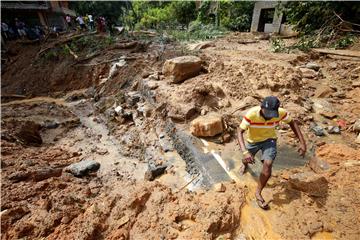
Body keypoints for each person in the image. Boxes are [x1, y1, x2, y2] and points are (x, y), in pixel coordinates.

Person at [237, 96, 306, 209]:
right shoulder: (252, 114)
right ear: (261, 108)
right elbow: (239, 131)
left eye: (272, 113)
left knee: (268, 164)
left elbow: (292, 123)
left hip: (270, 140)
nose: (269, 116)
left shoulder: (281, 113)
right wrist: (245, 152)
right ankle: (244, 164)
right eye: (267, 112)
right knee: (247, 159)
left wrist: (303, 143)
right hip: (253, 141)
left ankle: (258, 193)